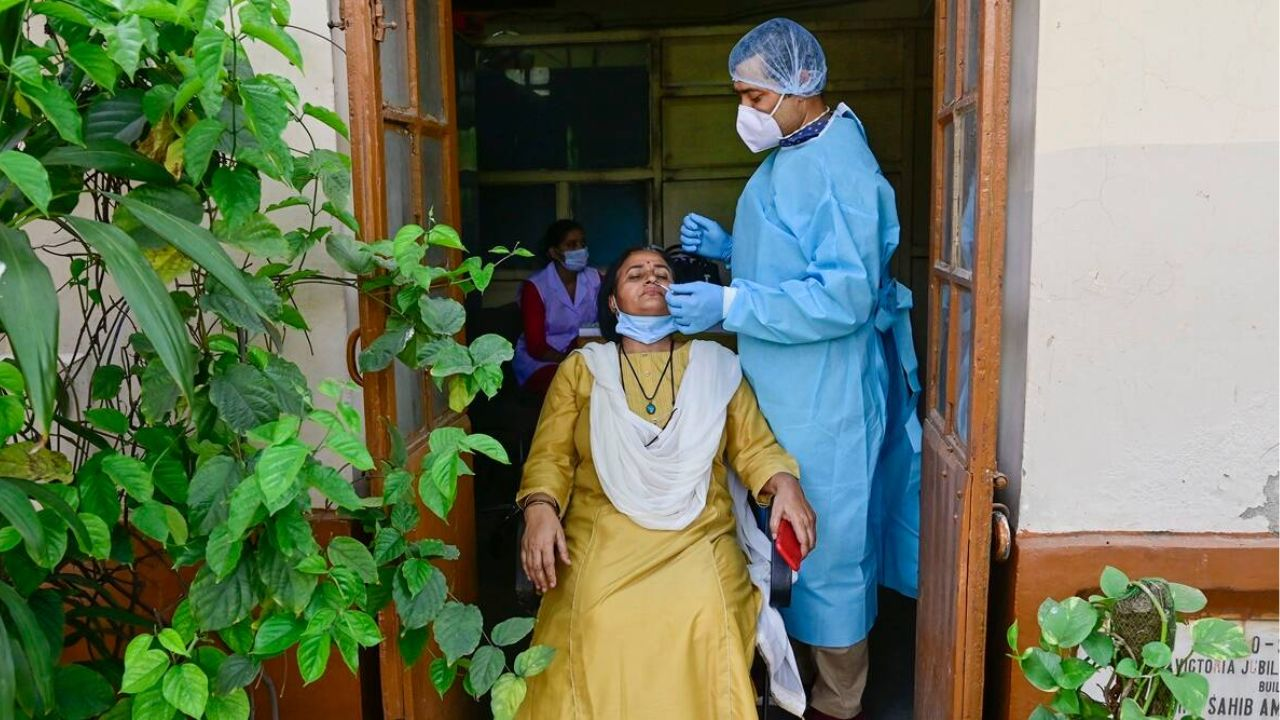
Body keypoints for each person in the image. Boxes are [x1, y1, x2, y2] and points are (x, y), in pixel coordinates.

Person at [664, 18, 922, 720]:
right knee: (783, 541)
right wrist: (733, 250)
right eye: (740, 95)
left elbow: (840, 294)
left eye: (753, 96)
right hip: (786, 386)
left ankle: (840, 701)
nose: (744, 111)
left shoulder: (838, 165)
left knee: (826, 546)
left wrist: (731, 298)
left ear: (798, 86)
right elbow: (795, 255)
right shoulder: (798, 148)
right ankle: (796, 682)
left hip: (825, 393)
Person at [516, 246, 817, 719]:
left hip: (699, 535)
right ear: (613, 303)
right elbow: (550, 456)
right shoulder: (583, 368)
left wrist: (784, 483)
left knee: (703, 613)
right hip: (603, 532)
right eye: (635, 274)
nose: (651, 278)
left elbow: (754, 446)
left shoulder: (716, 365)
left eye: (662, 274)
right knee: (597, 618)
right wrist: (538, 508)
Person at [514, 220, 602, 394]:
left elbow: (607, 321)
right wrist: (570, 362)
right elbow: (536, 347)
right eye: (571, 245)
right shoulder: (536, 287)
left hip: (584, 354)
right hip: (542, 362)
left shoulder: (596, 279)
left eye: (582, 244)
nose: (580, 249)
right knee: (572, 385)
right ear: (554, 252)